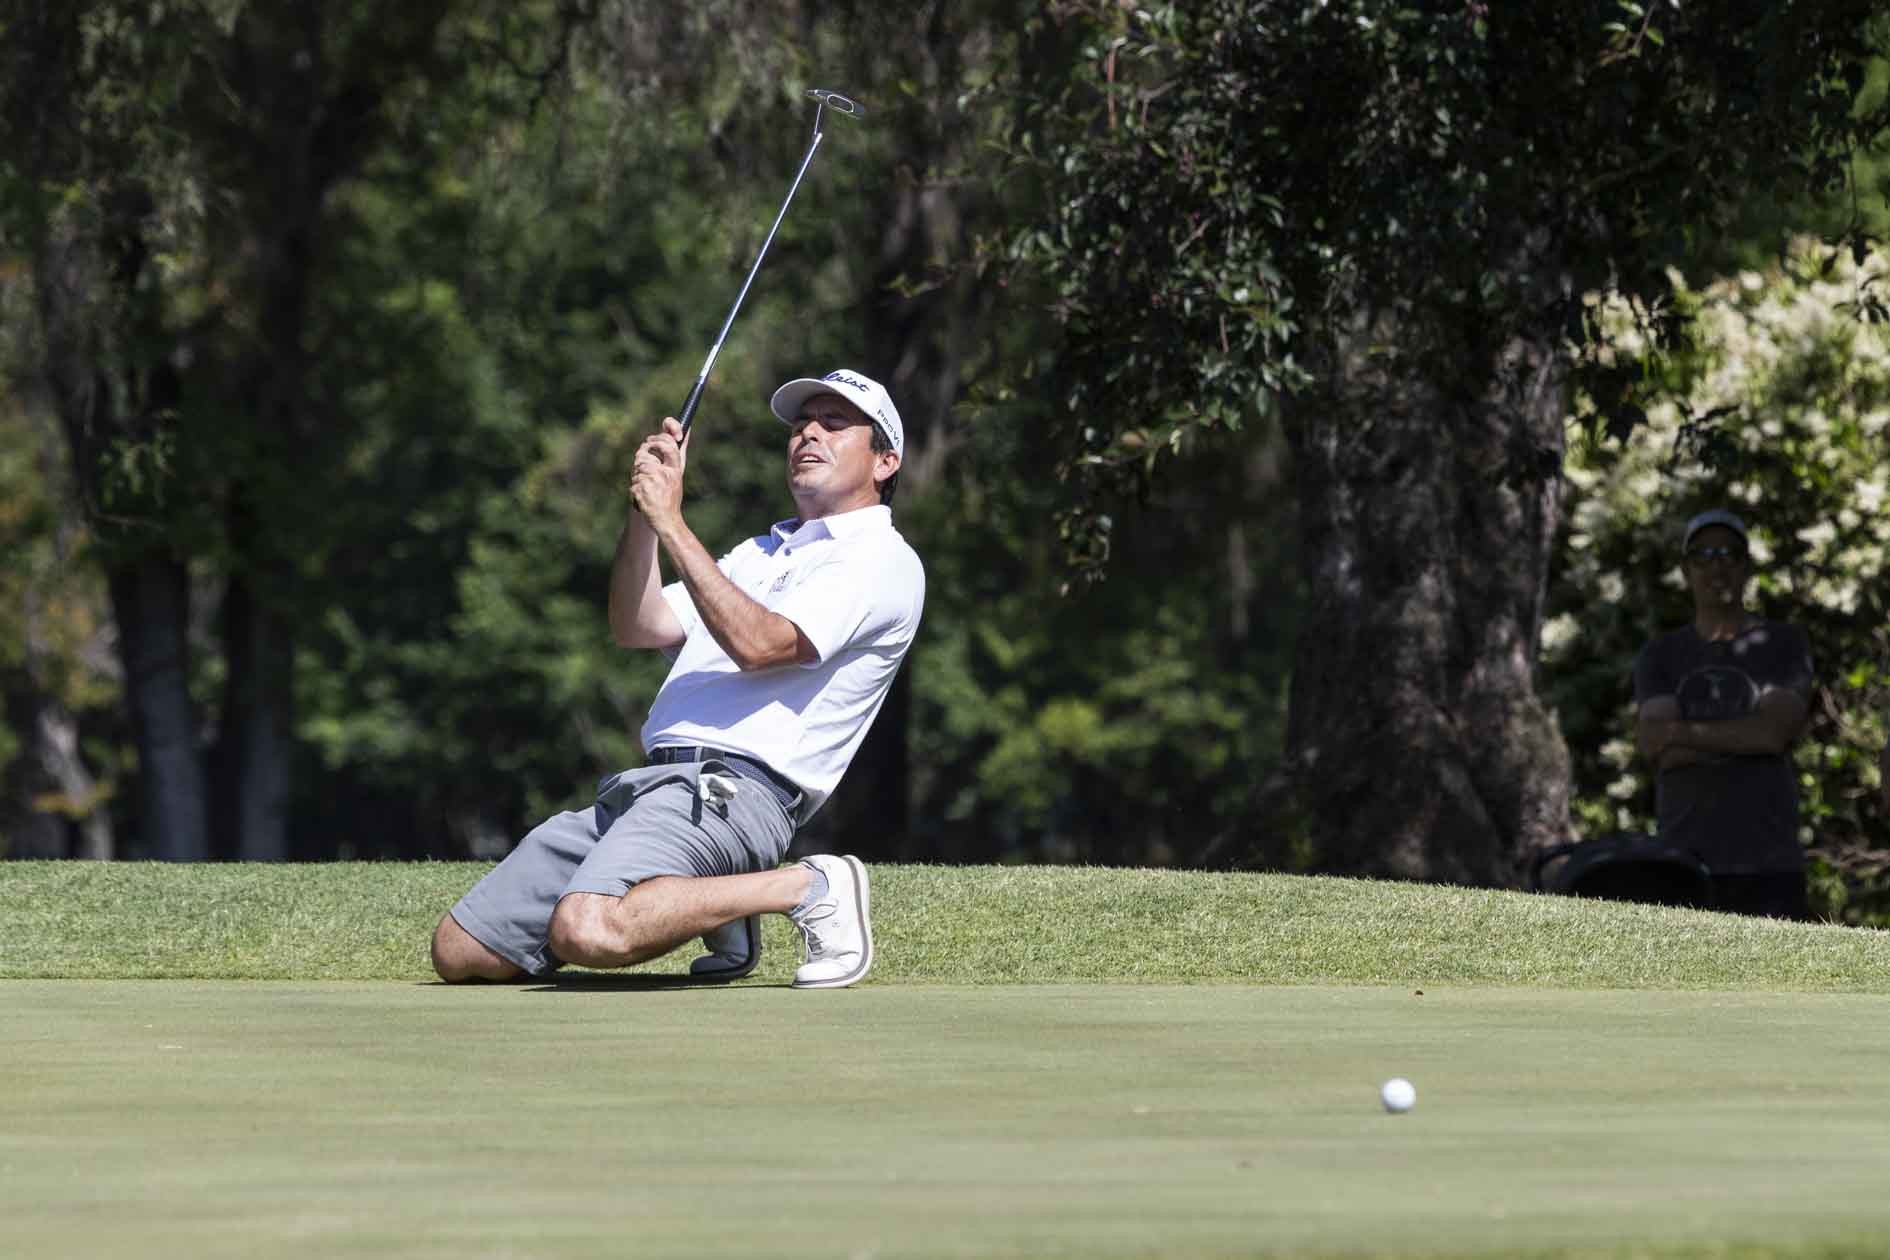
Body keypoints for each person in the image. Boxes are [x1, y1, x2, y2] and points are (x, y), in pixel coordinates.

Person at [430, 368, 924, 988]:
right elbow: (639, 625)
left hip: (735, 796)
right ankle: (722, 901)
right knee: (463, 950)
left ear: (885, 461)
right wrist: (645, 513)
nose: (809, 433)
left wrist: (673, 522)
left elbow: (761, 644)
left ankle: (807, 885)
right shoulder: (759, 553)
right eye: (802, 423)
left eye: (834, 423)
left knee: (589, 927)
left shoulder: (881, 559)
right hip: (647, 789)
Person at [1632, 509, 1815, 919]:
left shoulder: (1782, 644)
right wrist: (1744, 737)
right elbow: (1655, 744)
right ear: (1686, 570)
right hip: (1684, 861)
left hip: (1769, 864)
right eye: (1703, 555)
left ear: (1747, 567)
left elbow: (1772, 735)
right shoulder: (1661, 655)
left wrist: (1680, 733)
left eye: (1729, 554)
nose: (1717, 566)